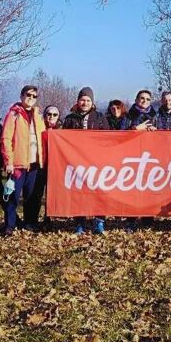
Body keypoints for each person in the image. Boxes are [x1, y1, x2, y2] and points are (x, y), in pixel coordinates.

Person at [0, 85, 46, 234]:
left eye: (34, 96)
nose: (31, 98)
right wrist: (8, 161)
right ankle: (10, 226)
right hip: (17, 165)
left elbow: (43, 137)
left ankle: (30, 223)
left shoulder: (38, 116)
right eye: (28, 95)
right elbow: (6, 138)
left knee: (31, 197)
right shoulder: (13, 114)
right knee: (12, 196)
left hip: (34, 164)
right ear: (21, 96)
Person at [63, 87, 109, 234]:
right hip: (76, 161)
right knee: (78, 192)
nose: (85, 103)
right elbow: (63, 139)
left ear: (92, 102)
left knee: (98, 192)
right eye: (82, 100)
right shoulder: (70, 118)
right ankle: (79, 223)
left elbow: (107, 137)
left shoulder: (100, 117)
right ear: (78, 101)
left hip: (96, 161)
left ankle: (99, 221)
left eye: (88, 100)